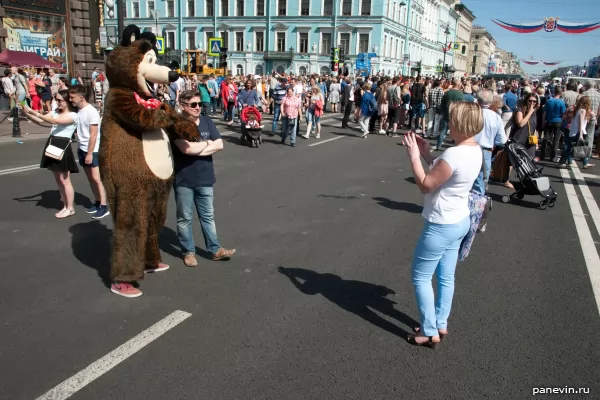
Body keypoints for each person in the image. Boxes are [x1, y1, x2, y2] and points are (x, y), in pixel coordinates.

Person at [402, 102, 484, 349]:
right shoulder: (475, 149)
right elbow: (449, 174)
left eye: (451, 120)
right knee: (446, 276)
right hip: (460, 219)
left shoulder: (454, 154)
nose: (448, 125)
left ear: (459, 124)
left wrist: (415, 156)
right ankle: (440, 322)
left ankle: (428, 332)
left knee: (421, 276)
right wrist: (428, 155)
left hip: (441, 223)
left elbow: (426, 184)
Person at [172, 90, 236, 267]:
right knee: (184, 218)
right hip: (183, 178)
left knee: (208, 216)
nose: (198, 107)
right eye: (193, 104)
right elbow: (185, 149)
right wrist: (208, 145)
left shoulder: (207, 121)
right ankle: (188, 252)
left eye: (199, 104)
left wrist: (199, 147)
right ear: (183, 106)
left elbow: (220, 144)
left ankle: (215, 250)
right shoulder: (177, 125)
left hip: (206, 177)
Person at [23, 89, 79, 218]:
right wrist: (26, 112)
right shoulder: (55, 112)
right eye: (56, 99)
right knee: (58, 179)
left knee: (65, 180)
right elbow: (42, 120)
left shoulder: (73, 116)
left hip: (63, 146)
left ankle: (70, 208)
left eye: (60, 100)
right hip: (52, 143)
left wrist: (33, 111)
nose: (57, 102)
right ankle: (64, 204)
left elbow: (54, 122)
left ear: (68, 102)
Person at [68, 84, 110, 219]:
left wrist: (90, 153)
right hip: (82, 147)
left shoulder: (91, 112)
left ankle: (104, 206)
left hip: (92, 150)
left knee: (97, 179)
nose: (70, 100)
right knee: (90, 178)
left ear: (81, 97)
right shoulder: (79, 111)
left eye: (72, 97)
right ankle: (97, 202)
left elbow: (93, 134)